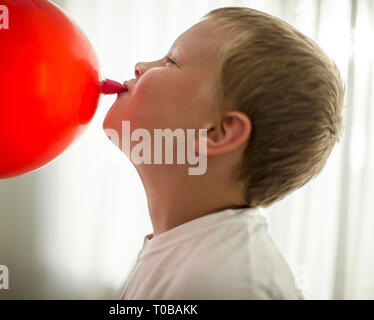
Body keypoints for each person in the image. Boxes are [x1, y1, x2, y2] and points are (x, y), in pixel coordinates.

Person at [103, 7, 344, 299]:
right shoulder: (183, 251)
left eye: (170, 61)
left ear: (217, 132)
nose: (140, 65)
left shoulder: (231, 283)